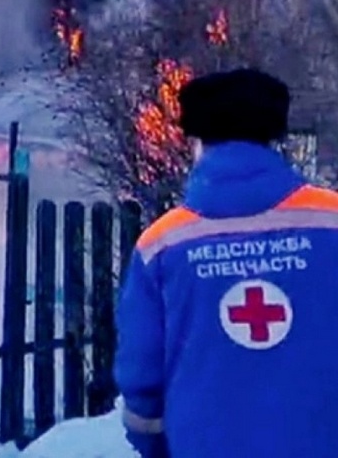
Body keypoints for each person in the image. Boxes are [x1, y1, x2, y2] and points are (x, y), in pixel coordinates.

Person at [115, 68, 338, 458]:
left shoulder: (162, 245)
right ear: (275, 138)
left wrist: (156, 445)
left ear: (197, 141)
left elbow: (141, 379)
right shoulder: (331, 221)